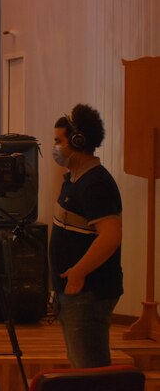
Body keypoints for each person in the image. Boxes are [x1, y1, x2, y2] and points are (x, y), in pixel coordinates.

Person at [50, 103, 123, 368]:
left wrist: (78, 272)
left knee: (90, 373)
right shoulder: (74, 178)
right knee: (79, 368)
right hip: (74, 293)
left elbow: (110, 237)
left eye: (59, 141)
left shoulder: (96, 185)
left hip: (89, 294)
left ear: (77, 141)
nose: (55, 147)